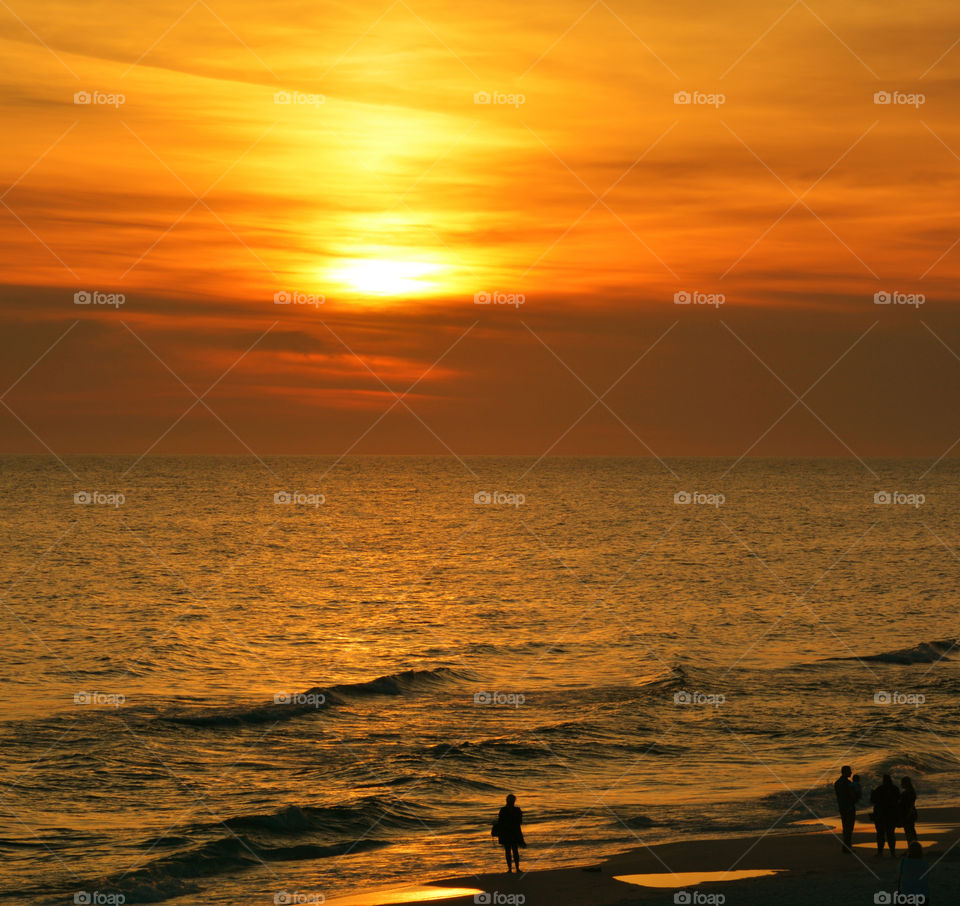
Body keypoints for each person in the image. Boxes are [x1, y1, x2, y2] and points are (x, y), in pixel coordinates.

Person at [871, 774, 901, 858]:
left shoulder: (879, 789)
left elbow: (873, 800)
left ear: (883, 781)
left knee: (880, 834)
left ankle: (880, 852)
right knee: (891, 834)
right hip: (891, 815)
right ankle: (892, 853)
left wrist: (872, 793)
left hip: (880, 815)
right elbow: (899, 800)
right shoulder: (895, 789)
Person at [493, 794, 525, 873]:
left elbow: (500, 821)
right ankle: (512, 869)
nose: (511, 801)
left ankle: (514, 869)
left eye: (512, 800)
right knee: (511, 851)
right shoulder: (512, 810)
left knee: (513, 851)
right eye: (510, 800)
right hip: (509, 832)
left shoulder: (505, 810)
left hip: (510, 832)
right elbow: (519, 822)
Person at [833, 765, 857, 853]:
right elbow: (852, 795)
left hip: (842, 807)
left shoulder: (837, 782)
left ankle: (846, 847)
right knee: (849, 828)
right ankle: (847, 847)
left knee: (845, 827)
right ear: (845, 772)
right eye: (849, 771)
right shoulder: (848, 783)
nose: (851, 773)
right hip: (849, 807)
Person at [899, 777, 918, 844]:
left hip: (908, 813)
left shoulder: (909, 792)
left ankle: (912, 847)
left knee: (909, 831)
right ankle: (912, 847)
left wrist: (908, 814)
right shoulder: (910, 791)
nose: (901, 784)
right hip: (910, 813)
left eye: (902, 782)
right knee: (910, 831)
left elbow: (910, 805)